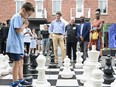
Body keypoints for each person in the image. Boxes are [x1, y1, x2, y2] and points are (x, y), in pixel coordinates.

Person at [6, 2, 34, 87]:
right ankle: (15, 82)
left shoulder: (19, 17)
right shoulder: (17, 16)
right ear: (23, 10)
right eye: (28, 15)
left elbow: (20, 34)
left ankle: (21, 79)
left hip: (18, 45)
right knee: (16, 63)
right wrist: (25, 25)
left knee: (21, 62)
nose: (27, 17)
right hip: (14, 45)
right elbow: (18, 30)